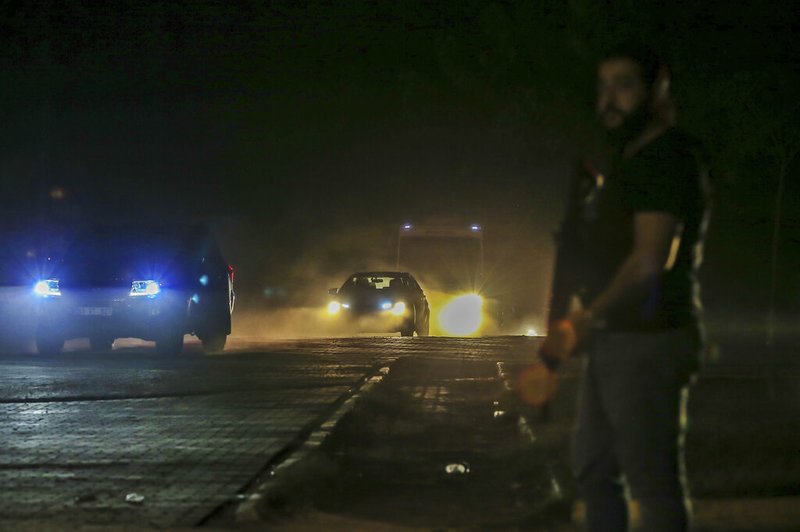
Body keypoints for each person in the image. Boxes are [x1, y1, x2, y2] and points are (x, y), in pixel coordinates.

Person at [539, 42, 711, 531]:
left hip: (650, 337)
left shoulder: (668, 157)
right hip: (614, 336)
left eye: (624, 85)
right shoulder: (624, 163)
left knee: (651, 482)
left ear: (657, 91)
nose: (609, 99)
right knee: (594, 470)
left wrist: (586, 319)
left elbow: (648, 262)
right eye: (603, 86)